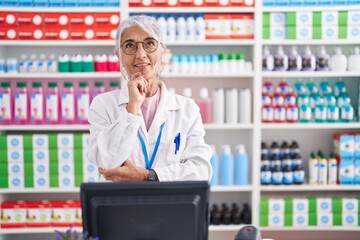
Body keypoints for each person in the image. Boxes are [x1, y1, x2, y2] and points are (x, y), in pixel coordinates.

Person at [88, 15, 212, 182]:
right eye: (130, 45)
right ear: (119, 55)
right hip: (121, 205)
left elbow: (201, 171)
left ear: (162, 51)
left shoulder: (186, 109)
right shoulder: (103, 105)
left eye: (150, 44)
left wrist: (147, 176)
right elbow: (107, 163)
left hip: (168, 204)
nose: (140, 54)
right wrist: (131, 108)